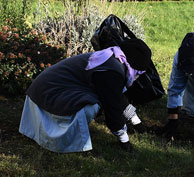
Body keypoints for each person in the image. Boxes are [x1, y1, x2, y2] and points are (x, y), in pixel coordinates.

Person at [19, 38, 152, 154]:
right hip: (46, 95)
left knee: (99, 99)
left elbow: (118, 96)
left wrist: (137, 123)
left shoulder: (111, 57)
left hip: (41, 91)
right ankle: (64, 139)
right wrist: (124, 140)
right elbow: (113, 106)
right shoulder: (112, 71)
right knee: (93, 105)